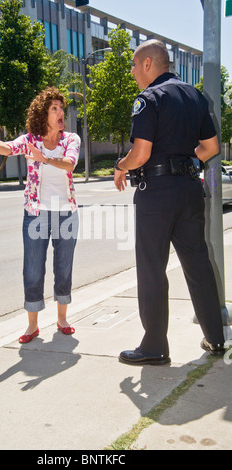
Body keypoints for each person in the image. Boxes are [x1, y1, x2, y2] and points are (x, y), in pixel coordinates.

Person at [114, 39, 226, 365]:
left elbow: (141, 153)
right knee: (198, 264)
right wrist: (186, 163)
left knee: (152, 269)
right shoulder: (194, 96)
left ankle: (154, 347)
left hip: (157, 194)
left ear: (148, 64)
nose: (133, 72)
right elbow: (211, 146)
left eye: (135, 65)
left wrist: (121, 166)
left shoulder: (149, 98)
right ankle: (216, 338)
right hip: (190, 190)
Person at [0, 87, 81, 343]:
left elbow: (70, 164)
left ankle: (62, 318)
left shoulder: (71, 139)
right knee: (32, 269)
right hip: (36, 213)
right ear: (43, 113)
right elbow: (8, 148)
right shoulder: (30, 140)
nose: (61, 112)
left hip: (66, 214)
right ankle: (32, 325)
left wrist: (46, 159)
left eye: (61, 108)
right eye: (55, 108)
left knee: (63, 268)